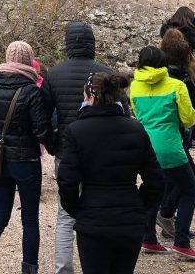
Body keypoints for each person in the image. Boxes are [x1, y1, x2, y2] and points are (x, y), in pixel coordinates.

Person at [57, 72, 164, 274]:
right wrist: (140, 206)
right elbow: (156, 180)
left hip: (92, 217)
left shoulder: (76, 131)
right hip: (129, 218)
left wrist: (76, 210)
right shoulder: (136, 129)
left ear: (91, 97)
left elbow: (67, 180)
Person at [0, 41, 55, 274]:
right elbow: (41, 130)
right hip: (27, 161)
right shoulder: (32, 91)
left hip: (0, 161)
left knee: (0, 215)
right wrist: (55, 145)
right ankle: (29, 269)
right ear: (29, 61)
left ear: (7, 58)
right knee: (30, 220)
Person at [41, 22, 117, 274]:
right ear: (92, 44)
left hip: (67, 150)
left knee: (65, 214)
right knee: (100, 209)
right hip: (101, 152)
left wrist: (52, 145)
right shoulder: (106, 73)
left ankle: (63, 270)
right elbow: (120, 114)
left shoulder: (53, 74)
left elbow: (43, 116)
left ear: (67, 44)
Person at [129, 46, 195, 262]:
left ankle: (149, 238)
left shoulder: (134, 86)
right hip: (170, 147)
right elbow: (188, 120)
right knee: (189, 189)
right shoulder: (176, 85)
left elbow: (136, 113)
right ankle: (182, 242)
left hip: (146, 148)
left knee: (155, 191)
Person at [157, 29, 195, 239]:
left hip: (158, 135)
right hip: (176, 136)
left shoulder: (156, 76)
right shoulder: (186, 78)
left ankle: (160, 225)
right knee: (190, 182)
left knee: (168, 180)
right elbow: (193, 108)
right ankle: (170, 222)